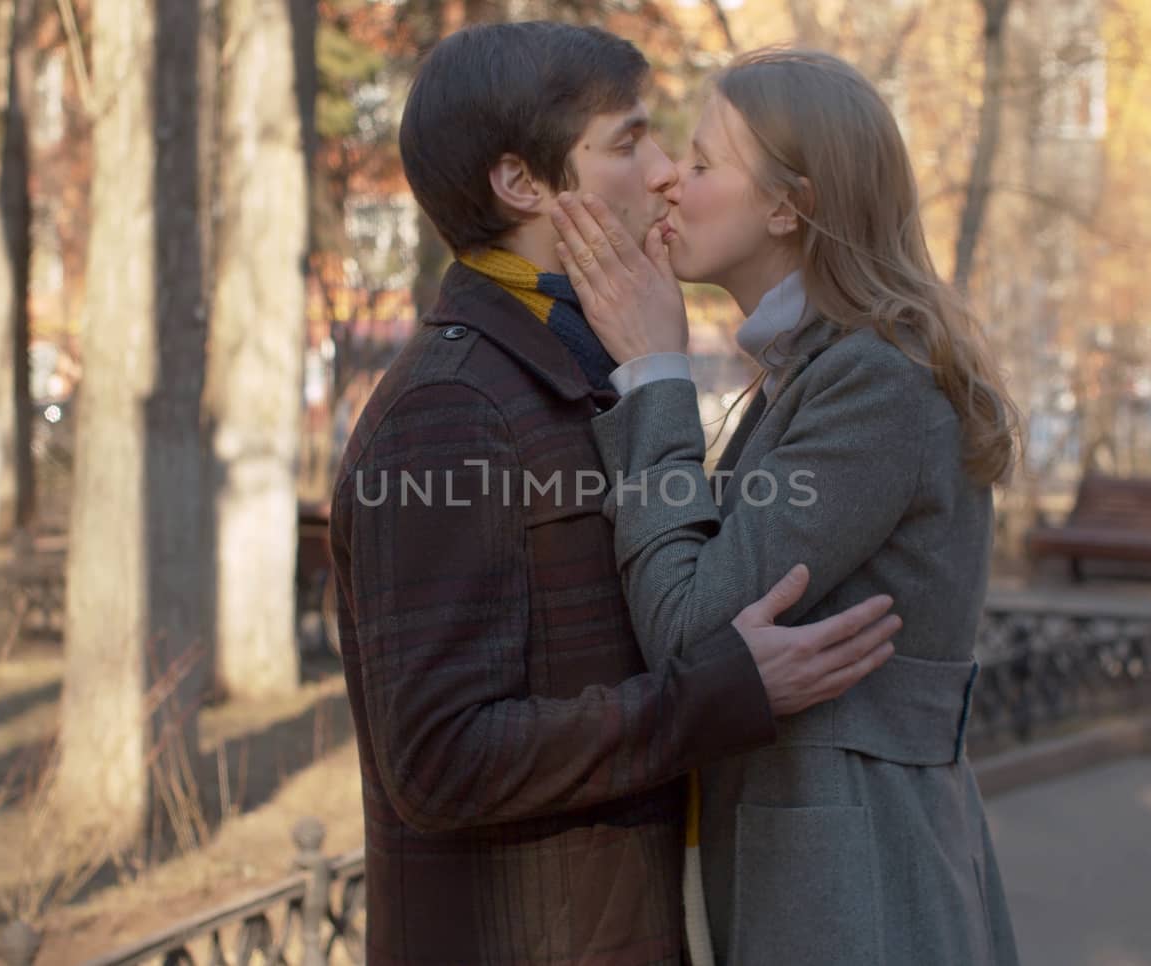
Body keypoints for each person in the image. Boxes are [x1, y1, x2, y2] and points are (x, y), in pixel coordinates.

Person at [328, 26, 901, 965]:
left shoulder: (575, 369)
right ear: (525, 185)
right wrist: (718, 693)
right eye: (629, 143)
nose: (668, 171)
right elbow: (436, 759)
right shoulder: (451, 408)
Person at [552, 48, 1023, 965]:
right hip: (824, 859)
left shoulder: (875, 381)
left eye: (701, 163)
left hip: (862, 881)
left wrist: (654, 371)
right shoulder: (817, 369)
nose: (668, 185)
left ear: (787, 205)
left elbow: (691, 631)